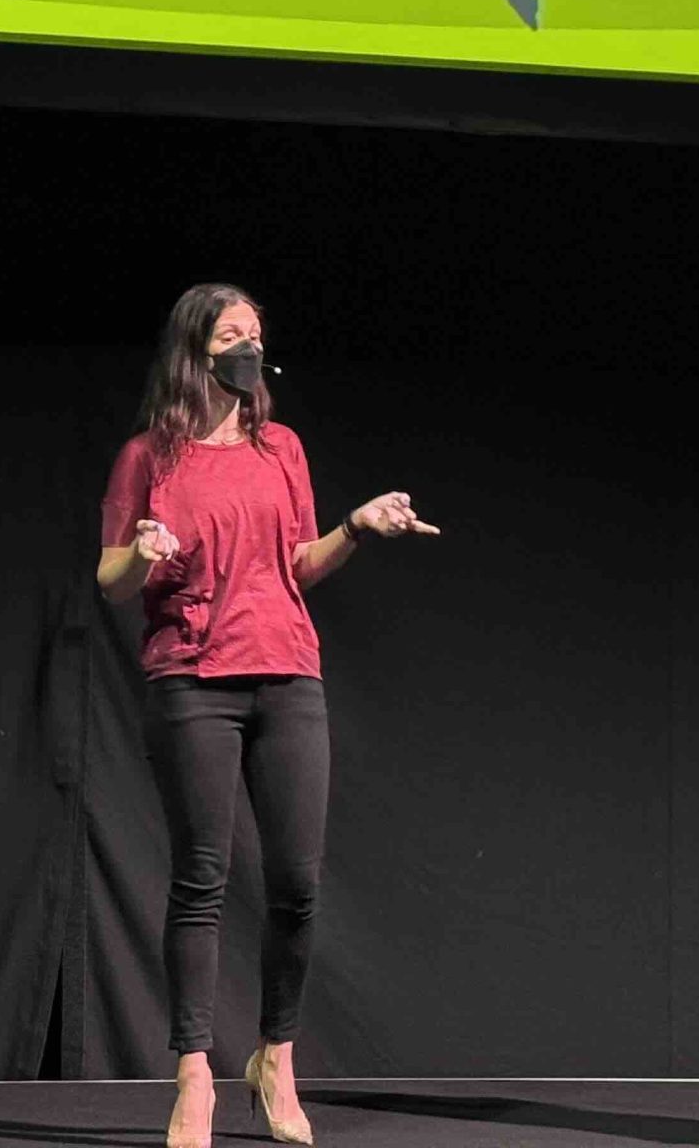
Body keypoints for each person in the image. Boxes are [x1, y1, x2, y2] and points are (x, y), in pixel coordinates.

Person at [98, 283, 438, 1148]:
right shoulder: (151, 455)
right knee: (201, 879)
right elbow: (108, 579)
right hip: (193, 680)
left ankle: (275, 1059)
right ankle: (194, 1078)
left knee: (296, 883)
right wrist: (139, 554)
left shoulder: (280, 447)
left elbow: (298, 562)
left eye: (257, 335)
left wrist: (356, 528)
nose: (251, 349)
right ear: (196, 351)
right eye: (233, 335)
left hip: (287, 674)